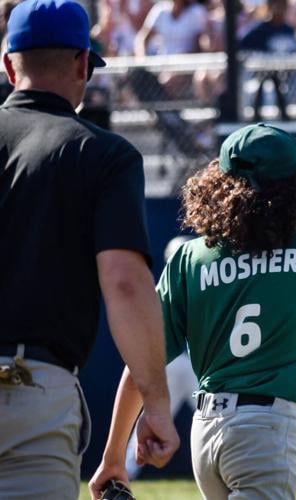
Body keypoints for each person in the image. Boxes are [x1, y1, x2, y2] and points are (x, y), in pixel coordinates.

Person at [89, 123, 296, 499]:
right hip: (265, 430)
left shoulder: (189, 258)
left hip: (206, 431)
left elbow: (143, 361)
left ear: (217, 186)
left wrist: (112, 456)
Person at [0, 1, 179, 498]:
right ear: (83, 64)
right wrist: (156, 403)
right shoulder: (104, 154)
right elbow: (124, 283)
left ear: (8, 65)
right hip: (32, 388)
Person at [124, 236, 199, 480]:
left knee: (153, 415)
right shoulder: (191, 283)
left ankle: (124, 469)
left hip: (184, 363)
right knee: (215, 417)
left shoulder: (176, 285)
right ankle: (124, 469)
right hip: (180, 362)